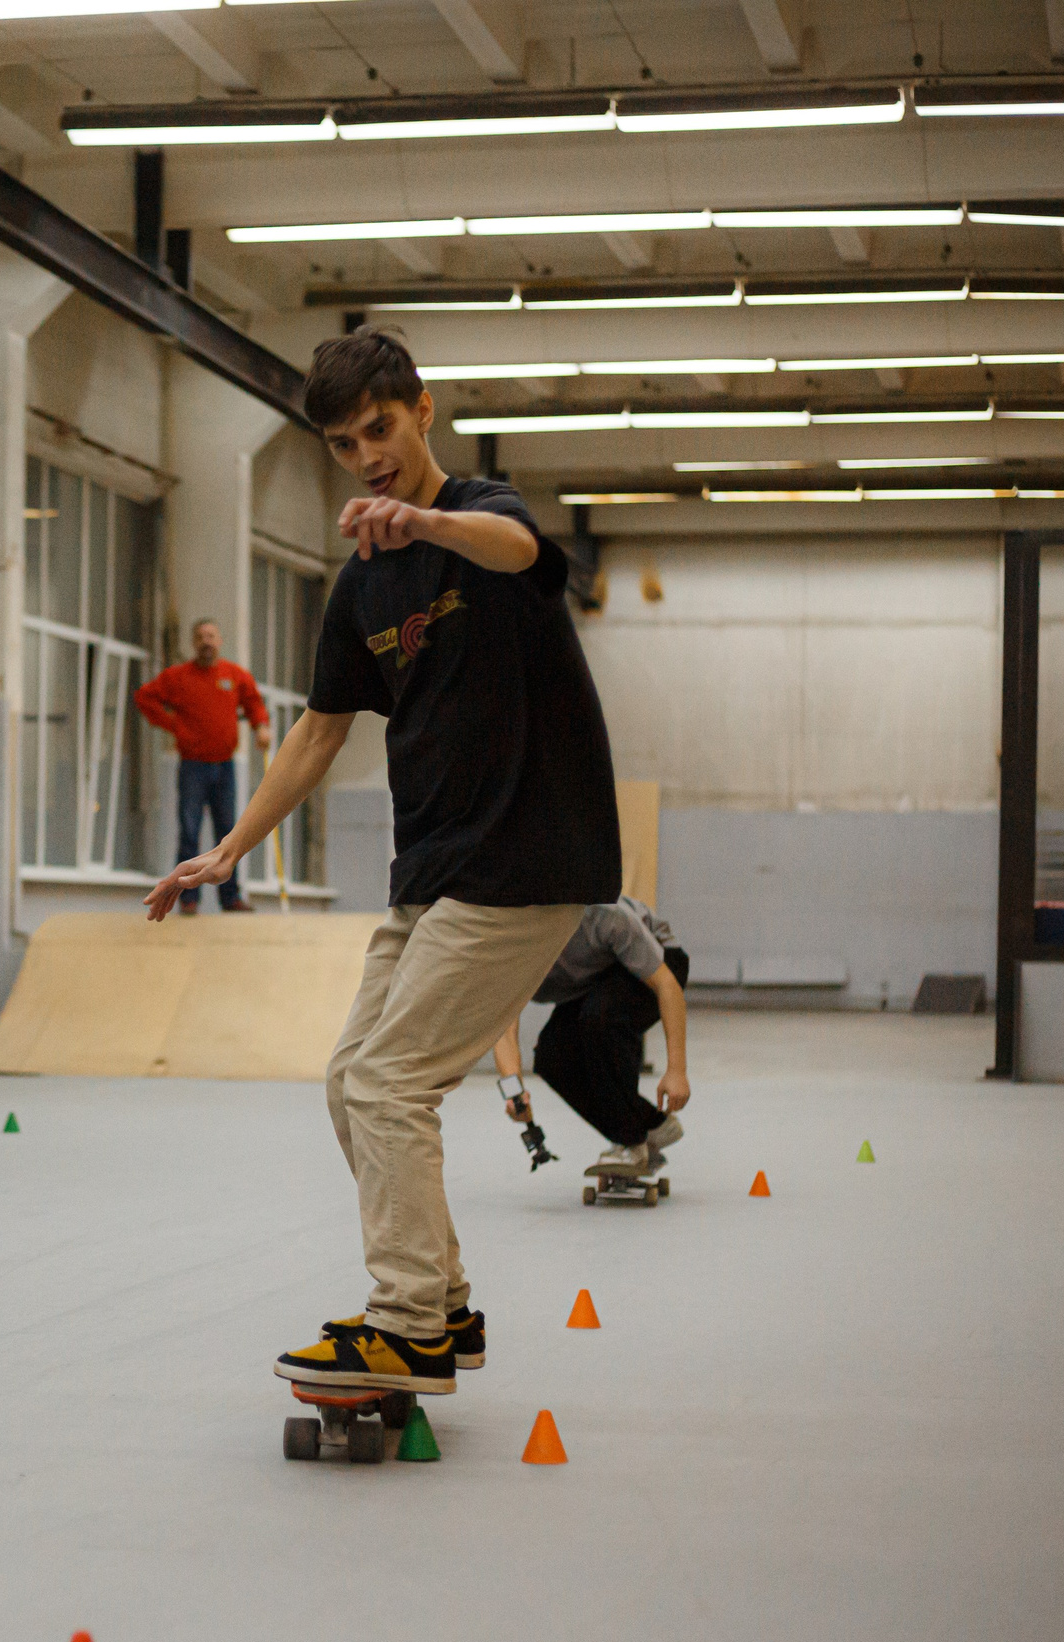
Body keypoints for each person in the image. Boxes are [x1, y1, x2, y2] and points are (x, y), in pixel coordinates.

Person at [146, 327, 621, 1396]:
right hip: (436, 870)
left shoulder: (484, 518)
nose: (367, 457)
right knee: (349, 1084)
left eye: (381, 429)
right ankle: (442, 1307)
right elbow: (317, 732)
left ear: (423, 412)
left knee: (393, 1082)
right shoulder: (361, 589)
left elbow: (523, 557)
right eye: (344, 444)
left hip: (528, 855)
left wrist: (425, 521)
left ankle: (404, 1323)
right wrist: (224, 849)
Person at [491, 898, 692, 1175]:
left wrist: (677, 1071)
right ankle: (653, 1125)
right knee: (552, 1056)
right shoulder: (510, 945)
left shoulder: (602, 914)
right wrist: (515, 1095)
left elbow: (667, 986)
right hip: (595, 980)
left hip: (661, 961)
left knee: (601, 1018)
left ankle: (630, 1141)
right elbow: (504, 1027)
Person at [134, 620, 271, 914]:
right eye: (199, 637)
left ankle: (230, 898)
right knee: (190, 831)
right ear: (193, 643)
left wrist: (262, 727)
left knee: (229, 834)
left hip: (225, 767)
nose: (205, 641)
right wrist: (174, 726)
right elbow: (145, 698)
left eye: (210, 635)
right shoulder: (178, 676)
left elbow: (254, 704)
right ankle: (188, 900)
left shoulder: (234, 675)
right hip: (192, 767)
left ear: (220, 640)